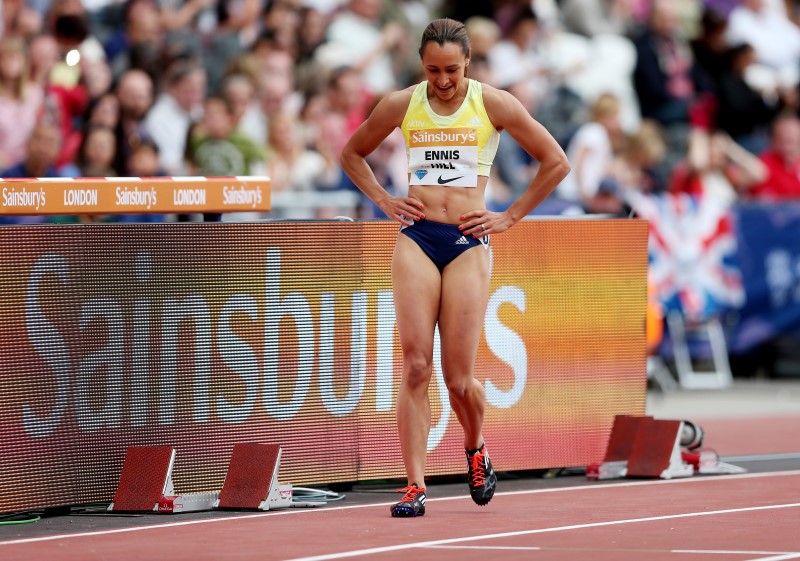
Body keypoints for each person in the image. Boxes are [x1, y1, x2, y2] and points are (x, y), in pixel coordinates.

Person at [340, 18, 570, 518]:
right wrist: (383, 199)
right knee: (416, 364)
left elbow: (555, 161)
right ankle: (414, 484)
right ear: (421, 66)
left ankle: (476, 446)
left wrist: (509, 215)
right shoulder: (403, 103)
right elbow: (352, 153)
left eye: (451, 70)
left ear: (468, 62)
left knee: (458, 378)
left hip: (467, 242)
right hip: (417, 237)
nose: (442, 81)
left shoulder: (494, 103)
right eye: (432, 70)